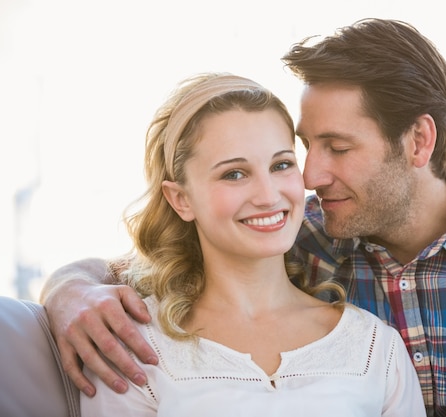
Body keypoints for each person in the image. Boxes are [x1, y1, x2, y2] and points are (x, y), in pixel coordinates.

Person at [41, 18, 446, 416]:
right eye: (304, 147)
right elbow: (140, 264)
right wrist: (66, 290)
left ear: (419, 140)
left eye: (338, 148)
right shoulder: (295, 233)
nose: (311, 176)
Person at [74, 72, 424, 416]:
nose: (269, 196)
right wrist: (67, 286)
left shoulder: (374, 346)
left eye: (281, 165)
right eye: (234, 174)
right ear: (181, 199)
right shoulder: (133, 347)